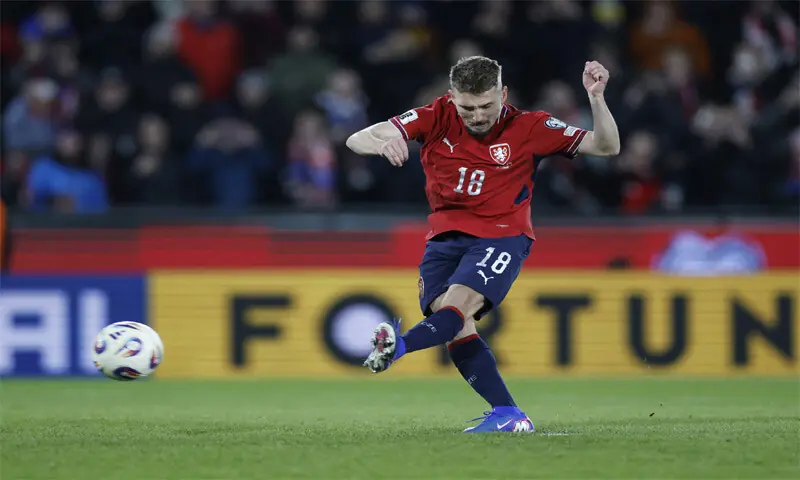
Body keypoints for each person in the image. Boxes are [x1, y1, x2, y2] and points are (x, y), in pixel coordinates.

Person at [345, 56, 620, 433]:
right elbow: (356, 138)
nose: (476, 115)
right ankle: (508, 414)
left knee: (458, 307)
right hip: (444, 238)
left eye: (486, 106)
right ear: (451, 97)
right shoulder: (435, 116)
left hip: (503, 234)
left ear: (503, 94)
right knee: (452, 324)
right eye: (467, 107)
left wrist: (596, 98)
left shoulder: (530, 126)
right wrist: (384, 143)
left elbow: (606, 147)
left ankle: (398, 348)